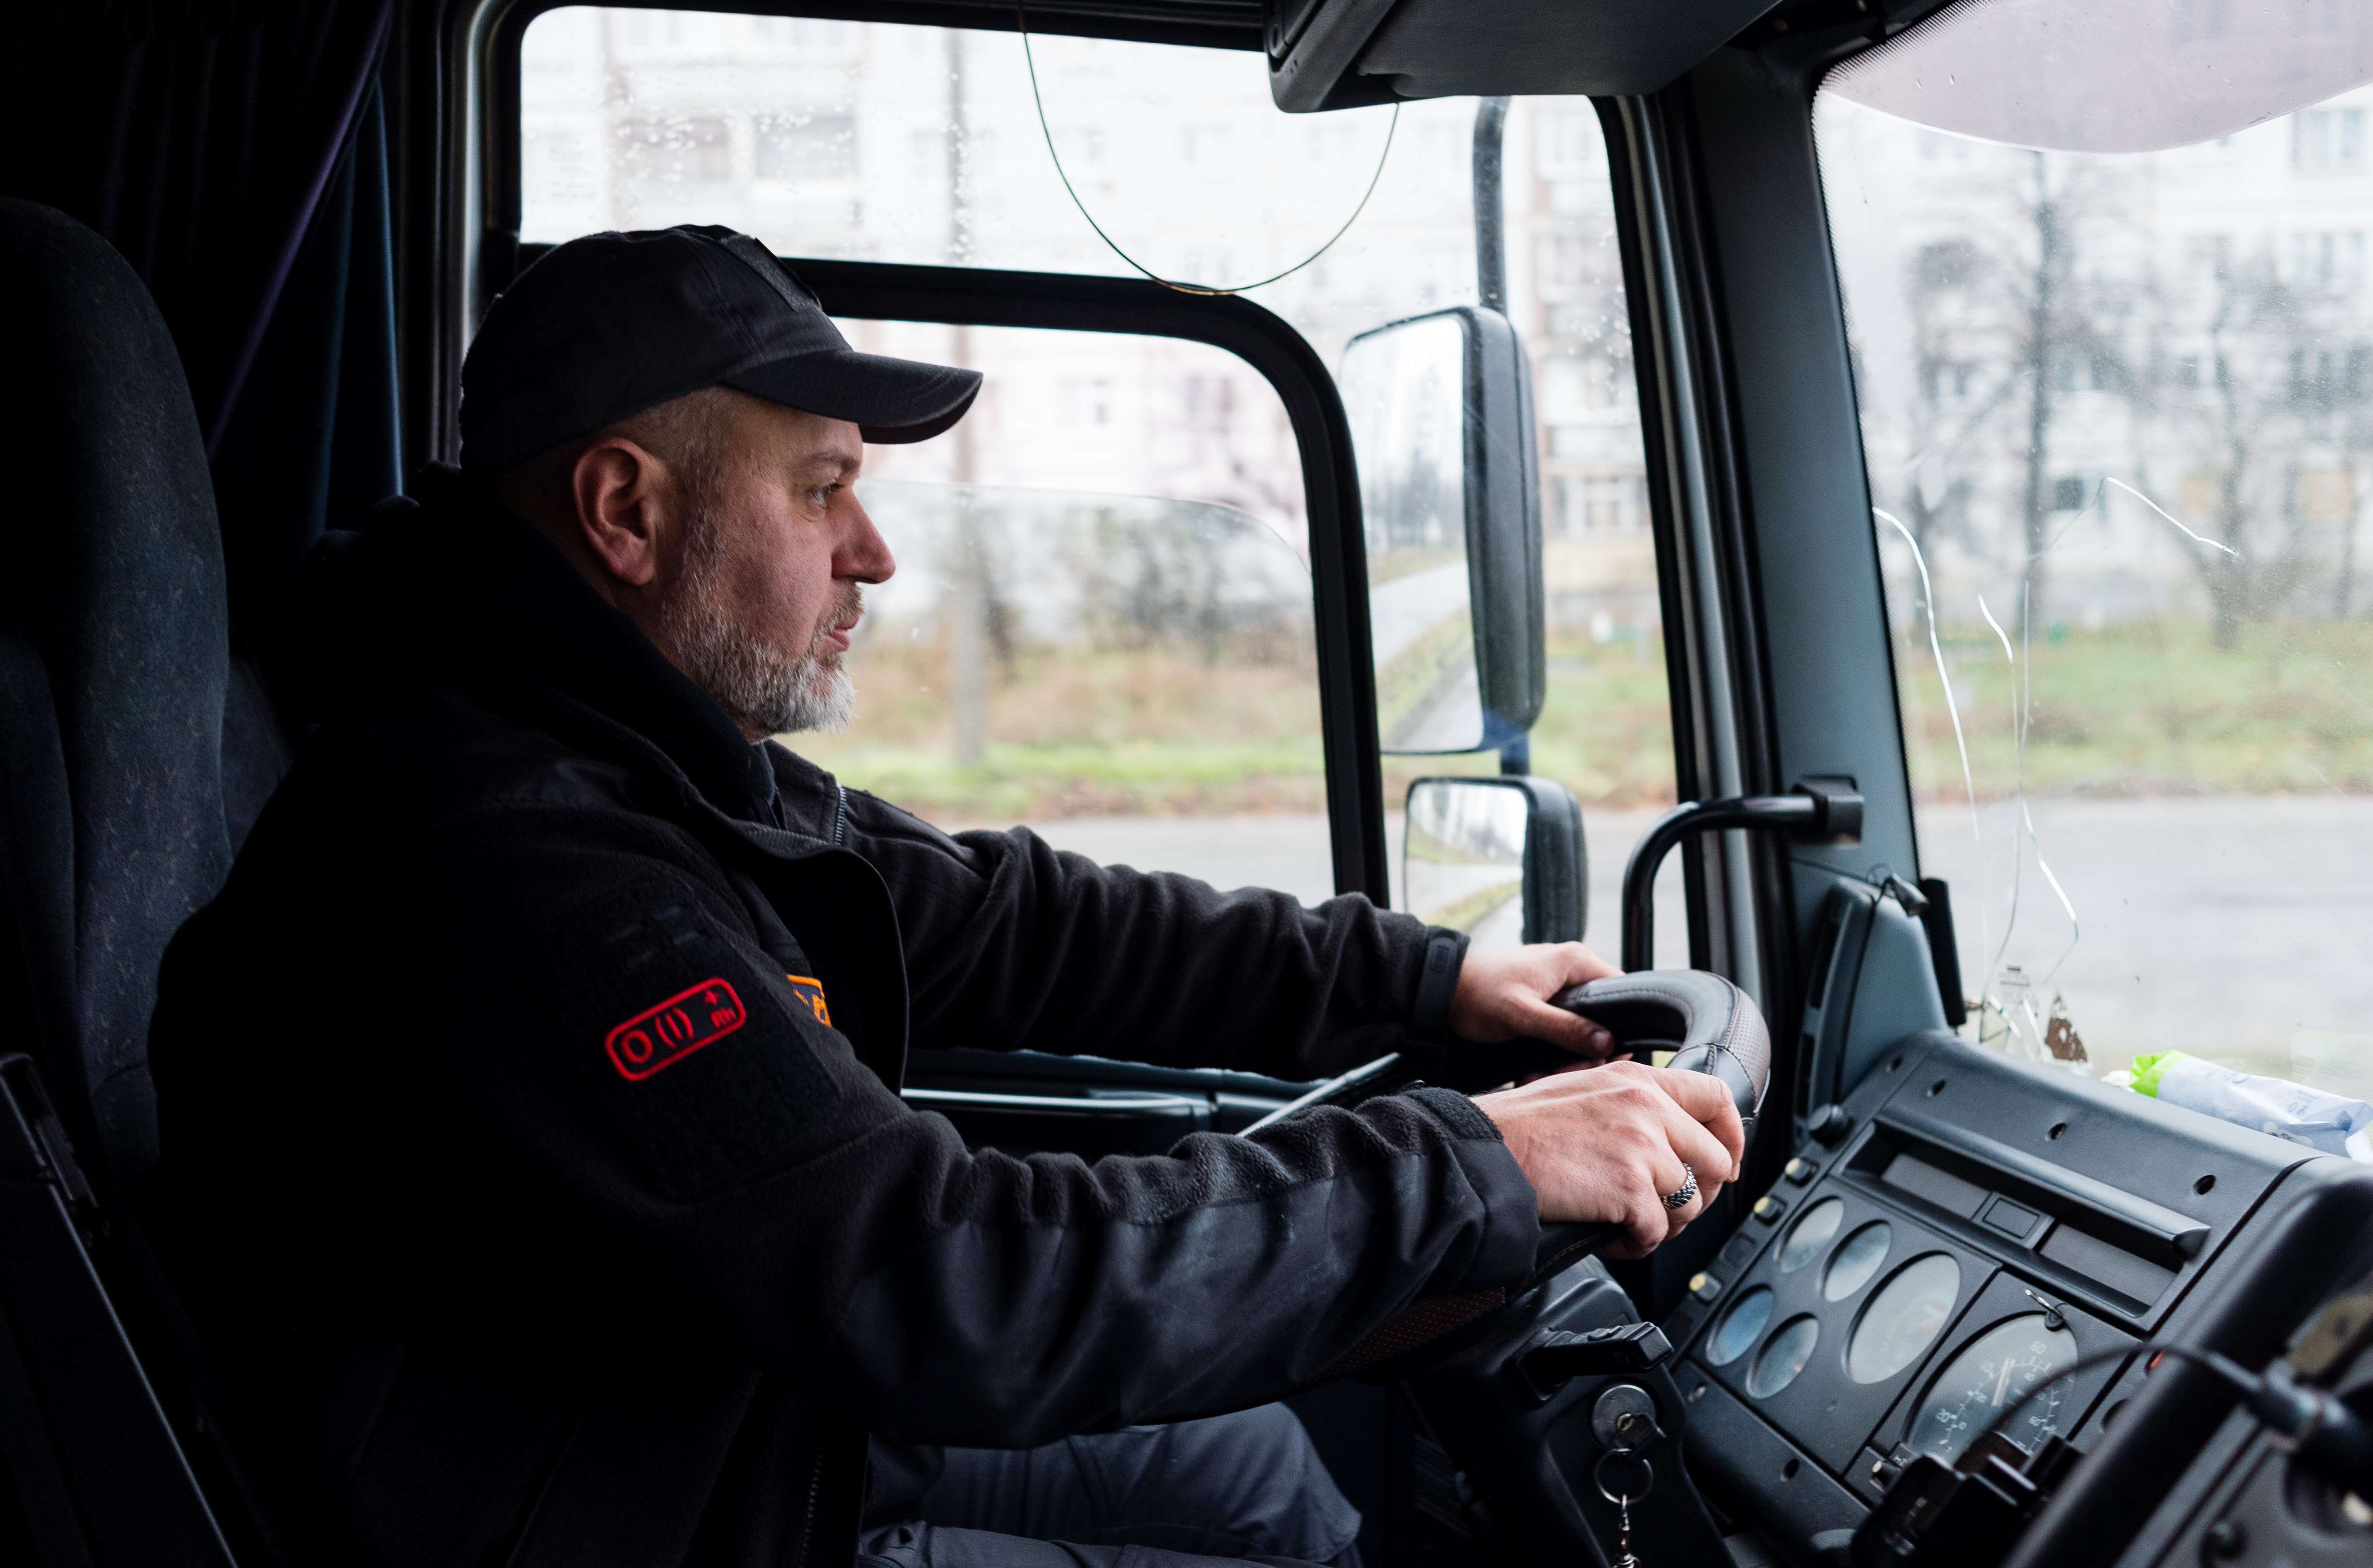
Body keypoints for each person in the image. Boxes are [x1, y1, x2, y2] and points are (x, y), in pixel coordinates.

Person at [146, 225, 1745, 1568]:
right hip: (651, 1509)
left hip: (713, 1419)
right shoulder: (516, 861)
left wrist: (1421, 983)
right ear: (626, 512)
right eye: (822, 488)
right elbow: (944, 1282)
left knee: (1254, 1471)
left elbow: (1003, 917)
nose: (877, 553)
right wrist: (1479, 1161)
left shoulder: (630, 751)